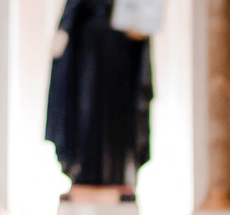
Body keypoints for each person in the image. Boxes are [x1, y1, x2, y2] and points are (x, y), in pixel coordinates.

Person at [46, 0, 153, 195]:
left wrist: (144, 22)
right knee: (87, 110)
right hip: (89, 46)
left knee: (119, 114)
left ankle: (119, 174)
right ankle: (84, 173)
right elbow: (73, 8)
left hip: (122, 45)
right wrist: (64, 29)